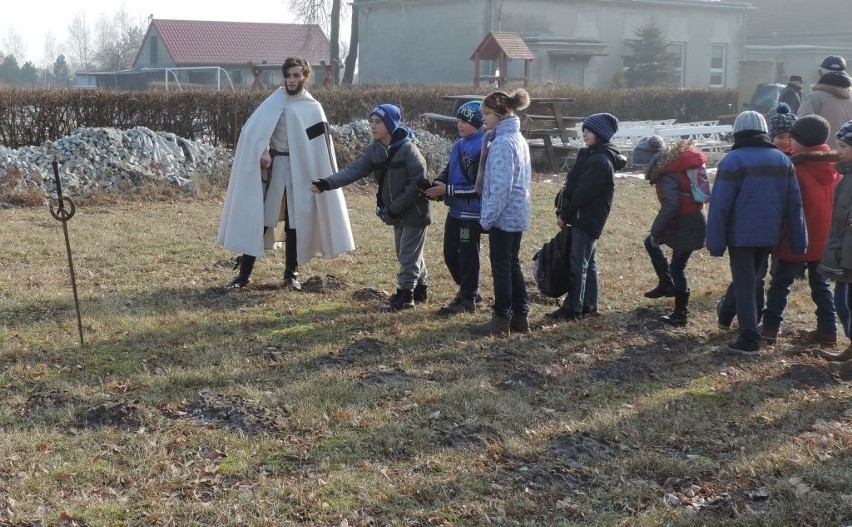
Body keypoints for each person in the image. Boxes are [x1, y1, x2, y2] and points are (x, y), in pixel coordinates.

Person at [217, 57, 354, 290]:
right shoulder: (274, 102)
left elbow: (319, 148)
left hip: (302, 174)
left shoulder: (312, 108)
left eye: (296, 76)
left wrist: (318, 175)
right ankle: (244, 275)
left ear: (305, 77)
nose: (291, 80)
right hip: (276, 170)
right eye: (288, 76)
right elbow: (253, 132)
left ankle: (291, 275)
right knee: (259, 220)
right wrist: (264, 150)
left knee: (295, 223)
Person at [311, 104, 431, 311]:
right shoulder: (375, 149)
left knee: (407, 254)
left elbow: (417, 184)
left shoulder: (409, 150)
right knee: (407, 253)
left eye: (378, 122)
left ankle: (406, 297)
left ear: (391, 125)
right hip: (396, 212)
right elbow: (356, 169)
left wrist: (395, 208)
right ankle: (421, 288)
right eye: (371, 122)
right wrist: (327, 183)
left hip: (414, 212)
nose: (372, 127)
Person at [707, 111, 807, 356]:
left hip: (740, 236)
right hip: (770, 234)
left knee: (745, 283)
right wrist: (799, 240)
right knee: (752, 279)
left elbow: (720, 205)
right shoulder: (783, 161)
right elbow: (795, 204)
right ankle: (741, 322)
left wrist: (715, 242)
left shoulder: (732, 161)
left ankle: (749, 336)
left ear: (738, 132)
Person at [761, 115, 839, 346]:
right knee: (821, 286)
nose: (789, 143)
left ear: (802, 141)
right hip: (824, 239)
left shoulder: (796, 169)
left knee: (780, 284)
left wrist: (779, 236)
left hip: (797, 237)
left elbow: (788, 208)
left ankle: (770, 329)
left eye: (793, 138)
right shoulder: (834, 168)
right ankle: (828, 330)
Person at [547, 113, 626, 321]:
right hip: (588, 218)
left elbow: (583, 193)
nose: (585, 134)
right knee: (587, 262)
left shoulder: (600, 160)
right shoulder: (593, 155)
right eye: (584, 130)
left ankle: (572, 308)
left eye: (589, 130)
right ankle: (590, 304)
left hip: (585, 218)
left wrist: (566, 214)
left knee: (577, 264)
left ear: (601, 133)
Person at [468, 89, 532, 336]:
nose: (483, 119)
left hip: (504, 216)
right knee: (512, 264)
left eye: (486, 114)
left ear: (499, 114)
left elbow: (501, 187)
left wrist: (487, 218)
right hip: (517, 213)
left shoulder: (503, 143)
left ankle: (501, 319)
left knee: (502, 268)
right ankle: (520, 316)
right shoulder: (517, 138)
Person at [424, 101, 486, 315]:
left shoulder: (484, 145)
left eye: (466, 121)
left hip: (471, 212)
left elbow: (478, 187)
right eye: (459, 120)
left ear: (478, 122)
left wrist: (447, 190)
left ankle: (468, 297)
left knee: (468, 255)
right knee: (450, 254)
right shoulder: (459, 144)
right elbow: (449, 169)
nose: (460, 124)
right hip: (455, 210)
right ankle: (469, 290)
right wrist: (436, 186)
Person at [641, 140, 709, 326]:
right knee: (651, 243)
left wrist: (656, 232)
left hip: (686, 221)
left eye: (642, 164)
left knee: (678, 267)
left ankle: (680, 314)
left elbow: (671, 205)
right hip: (690, 219)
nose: (641, 168)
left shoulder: (667, 172)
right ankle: (666, 283)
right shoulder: (675, 165)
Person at [818, 121, 852, 373]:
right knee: (843, 302)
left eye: (843, 146)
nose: (836, 150)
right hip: (844, 250)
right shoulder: (846, 176)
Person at [798, 55, 852, 148]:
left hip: (822, 155)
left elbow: (802, 128)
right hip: (847, 155)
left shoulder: (814, 97)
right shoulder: (850, 97)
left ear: (820, 72)